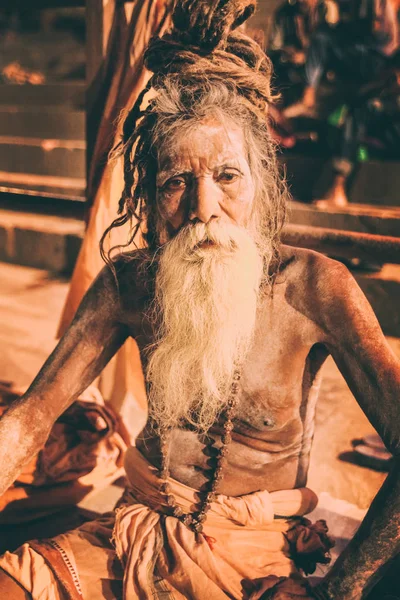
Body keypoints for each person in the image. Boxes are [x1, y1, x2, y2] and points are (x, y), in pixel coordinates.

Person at [0, 1, 399, 599]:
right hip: (136, 526)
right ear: (149, 201)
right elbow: (31, 417)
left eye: (227, 177)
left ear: (261, 185)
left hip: (259, 546)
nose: (204, 208)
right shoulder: (129, 285)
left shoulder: (316, 286)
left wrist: (338, 589)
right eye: (176, 182)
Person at [284, 0, 399, 206]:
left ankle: (338, 187)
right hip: (372, 75)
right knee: (321, 39)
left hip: (383, 80)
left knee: (361, 110)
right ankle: (309, 95)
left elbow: (385, 41)